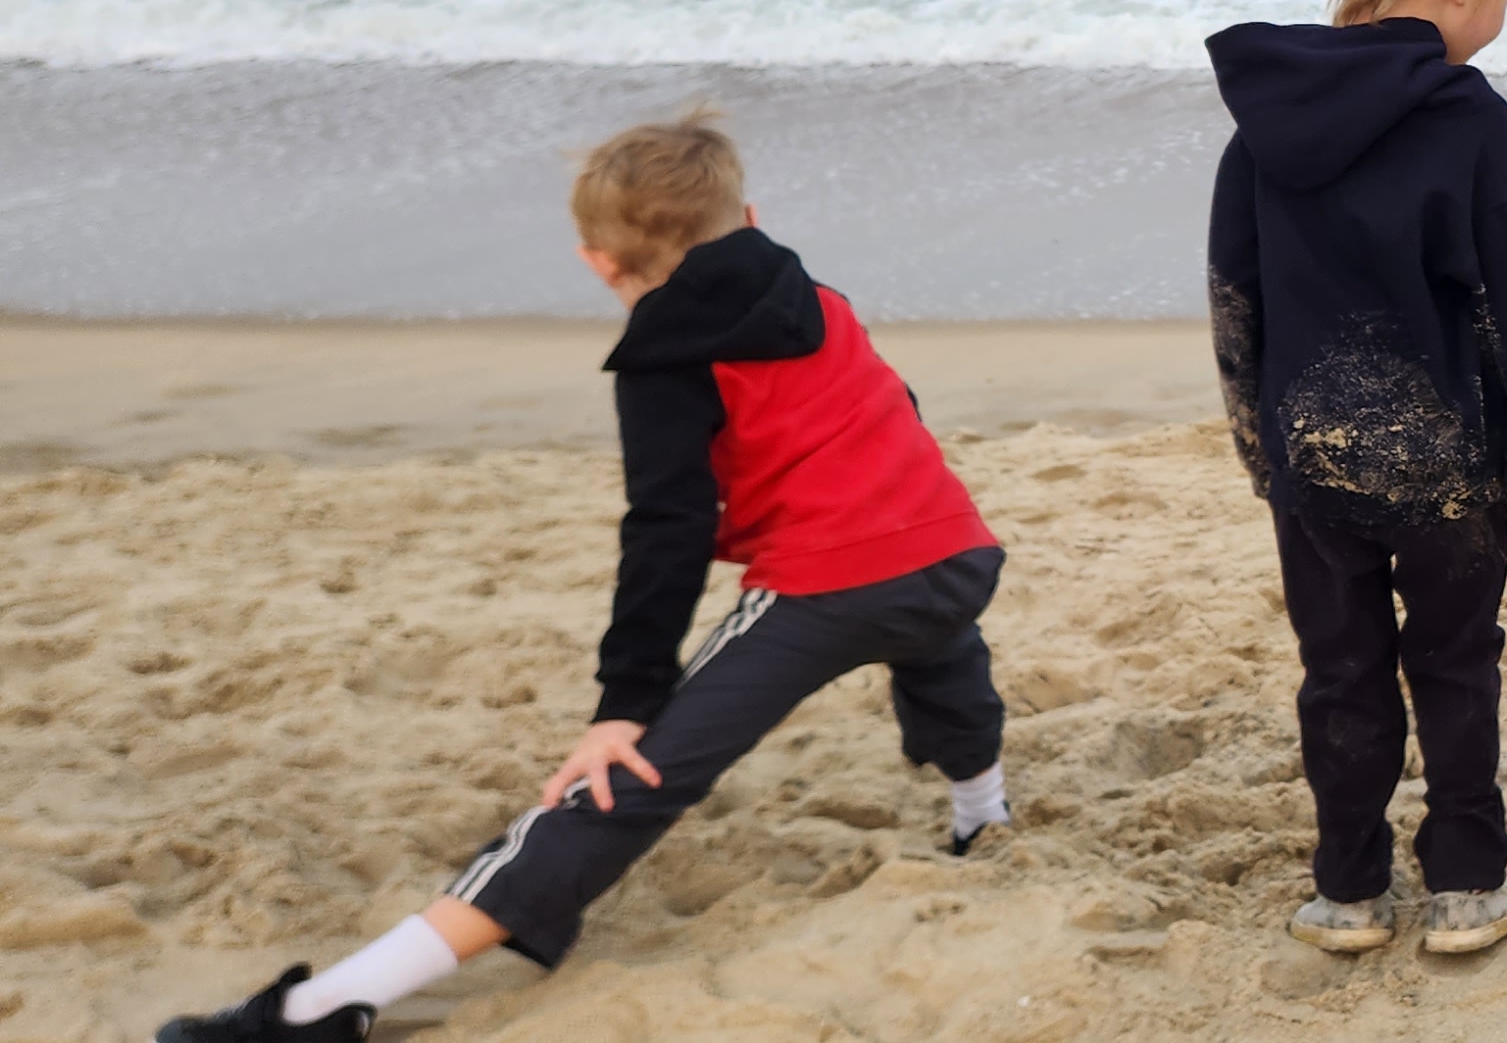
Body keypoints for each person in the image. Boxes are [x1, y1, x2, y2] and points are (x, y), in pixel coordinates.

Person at [155, 114, 1009, 1042]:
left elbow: (667, 530)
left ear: (598, 262)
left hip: (823, 588)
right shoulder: (820, 296)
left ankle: (324, 1006)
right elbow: (895, 406)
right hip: (957, 549)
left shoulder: (663, 359)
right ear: (749, 214)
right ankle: (984, 814)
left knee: (630, 778)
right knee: (939, 644)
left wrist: (623, 703)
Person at [1209, 0, 1507, 962]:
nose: (1502, 16)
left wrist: (1261, 451)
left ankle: (1349, 890)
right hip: (1444, 470)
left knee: (1340, 671)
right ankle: (1467, 880)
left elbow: (1237, 304)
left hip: (1311, 464)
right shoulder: (1470, 121)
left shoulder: (1263, 124)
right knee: (1456, 665)